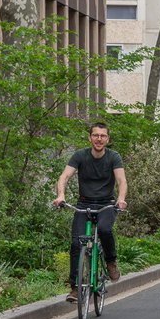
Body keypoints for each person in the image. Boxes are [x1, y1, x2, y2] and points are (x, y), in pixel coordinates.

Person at [54, 122, 128, 303]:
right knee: (76, 244)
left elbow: (121, 180)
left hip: (106, 205)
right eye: (96, 135)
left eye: (103, 136)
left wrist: (120, 199)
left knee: (104, 230)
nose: (99, 139)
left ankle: (111, 261)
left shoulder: (113, 157)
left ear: (107, 139)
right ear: (90, 137)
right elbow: (64, 176)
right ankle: (75, 288)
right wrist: (61, 195)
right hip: (84, 204)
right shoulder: (80, 156)